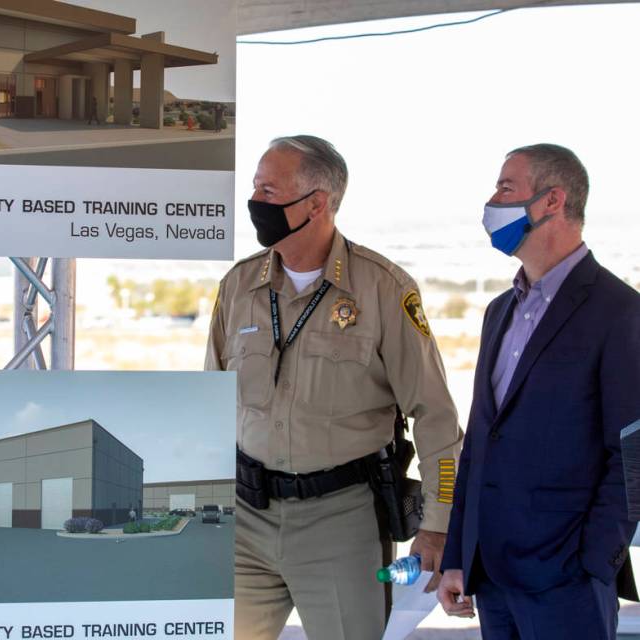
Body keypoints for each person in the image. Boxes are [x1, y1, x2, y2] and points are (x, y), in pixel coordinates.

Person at [206, 135, 463, 640]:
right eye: (255, 188)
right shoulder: (238, 286)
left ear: (316, 203)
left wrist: (438, 523)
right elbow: (212, 403)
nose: (255, 202)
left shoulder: (384, 289)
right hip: (246, 521)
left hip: (340, 522)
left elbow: (436, 417)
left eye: (268, 189)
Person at [437, 144, 640, 639]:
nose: (492, 201)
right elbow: (481, 443)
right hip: (493, 579)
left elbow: (633, 457)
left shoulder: (620, 312)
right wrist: (459, 555)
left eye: (506, 188)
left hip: (567, 584)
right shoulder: (499, 311)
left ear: (552, 201)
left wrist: (595, 561)